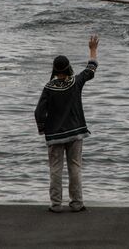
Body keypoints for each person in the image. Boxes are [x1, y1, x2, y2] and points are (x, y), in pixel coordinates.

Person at [35, 35, 99, 213]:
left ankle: (56, 204)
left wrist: (43, 128)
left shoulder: (48, 87)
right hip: (76, 132)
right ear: (69, 67)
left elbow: (39, 112)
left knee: (55, 169)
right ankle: (77, 203)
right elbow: (91, 69)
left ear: (54, 70)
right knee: (75, 167)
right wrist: (92, 49)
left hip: (55, 135)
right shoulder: (75, 82)